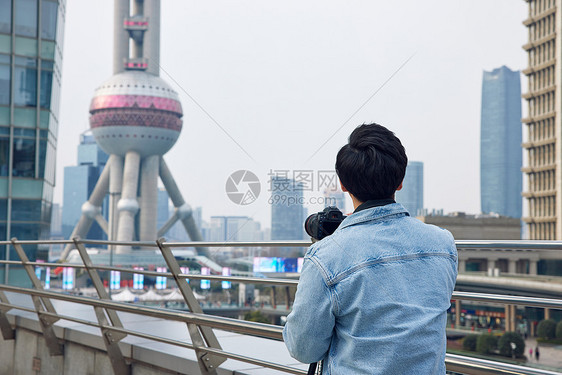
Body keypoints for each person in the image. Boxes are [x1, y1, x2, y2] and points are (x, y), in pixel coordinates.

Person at [283, 123, 458, 374]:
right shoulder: (443, 244)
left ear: (343, 184)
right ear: (400, 181)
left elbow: (303, 349)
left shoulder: (326, 257)